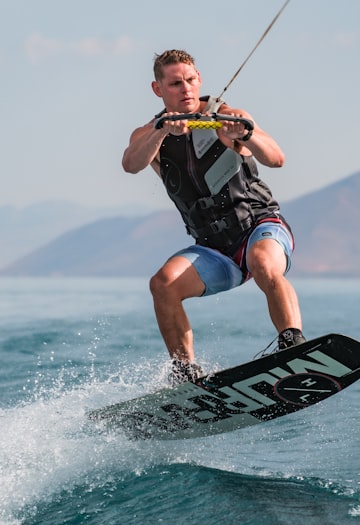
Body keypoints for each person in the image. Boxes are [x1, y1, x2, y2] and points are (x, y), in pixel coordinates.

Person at [122, 49, 305, 383]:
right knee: (162, 285)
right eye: (176, 83)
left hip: (259, 228)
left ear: (200, 79)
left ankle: (293, 344)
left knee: (264, 265)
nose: (186, 89)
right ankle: (186, 375)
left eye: (191, 80)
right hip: (215, 250)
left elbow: (277, 159)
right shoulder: (149, 135)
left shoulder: (227, 118)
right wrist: (163, 131)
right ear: (158, 89)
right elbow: (130, 163)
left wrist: (245, 134)